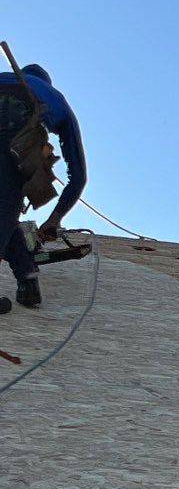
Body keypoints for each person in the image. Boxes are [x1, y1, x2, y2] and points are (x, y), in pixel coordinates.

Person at [0, 61, 88, 313]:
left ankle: (27, 277)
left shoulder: (4, 77)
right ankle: (27, 279)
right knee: (6, 208)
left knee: (5, 214)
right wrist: (54, 220)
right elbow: (78, 177)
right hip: (16, 143)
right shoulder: (56, 99)